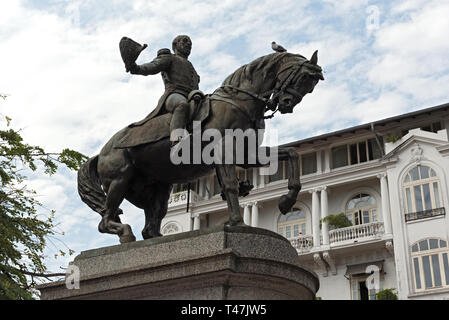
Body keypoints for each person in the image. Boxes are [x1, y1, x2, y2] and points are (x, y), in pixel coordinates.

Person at [128, 35, 200, 146]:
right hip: (174, 95)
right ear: (175, 45)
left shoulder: (193, 69)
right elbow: (153, 66)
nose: (189, 44)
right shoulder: (169, 57)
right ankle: (177, 141)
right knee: (182, 105)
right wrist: (136, 68)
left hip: (193, 97)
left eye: (190, 42)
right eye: (185, 41)